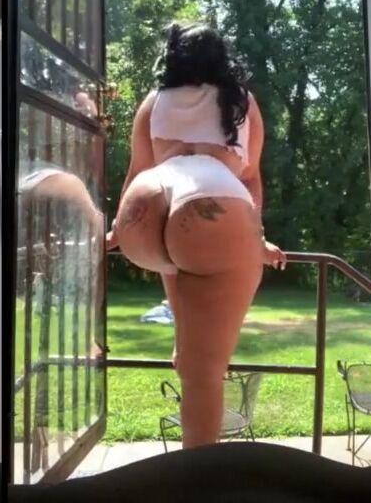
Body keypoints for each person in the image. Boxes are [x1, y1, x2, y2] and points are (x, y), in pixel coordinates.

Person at [104, 23, 286, 450]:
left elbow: (137, 171)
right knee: (205, 372)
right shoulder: (241, 101)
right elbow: (251, 180)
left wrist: (115, 232)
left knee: (189, 352)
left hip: (147, 206)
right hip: (211, 204)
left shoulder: (154, 101)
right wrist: (256, 239)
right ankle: (198, 479)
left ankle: (185, 356)